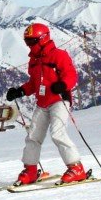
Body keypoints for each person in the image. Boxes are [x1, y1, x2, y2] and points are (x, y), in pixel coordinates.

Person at [5, 22, 86, 185]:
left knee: (57, 133)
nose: (29, 45)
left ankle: (76, 168)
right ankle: (31, 170)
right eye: (27, 42)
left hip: (59, 100)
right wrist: (19, 91)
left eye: (32, 41)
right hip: (42, 103)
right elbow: (34, 84)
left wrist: (63, 85)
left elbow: (71, 75)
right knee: (33, 137)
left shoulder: (59, 55)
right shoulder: (34, 61)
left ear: (42, 39)